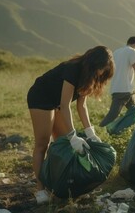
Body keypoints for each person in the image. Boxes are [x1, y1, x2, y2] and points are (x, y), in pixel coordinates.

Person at [27, 46, 114, 204]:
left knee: (63, 144)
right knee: (42, 144)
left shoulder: (90, 75)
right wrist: (73, 135)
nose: (101, 73)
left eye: (104, 70)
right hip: (41, 96)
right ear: (93, 63)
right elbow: (65, 104)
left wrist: (90, 133)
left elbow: (82, 106)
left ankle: (58, 184)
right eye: (101, 69)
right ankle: (40, 190)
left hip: (57, 102)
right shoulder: (73, 69)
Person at [99, 36, 135, 127]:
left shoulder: (116, 52)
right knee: (112, 115)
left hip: (118, 89)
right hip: (123, 90)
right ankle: (99, 130)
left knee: (134, 111)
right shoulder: (132, 51)